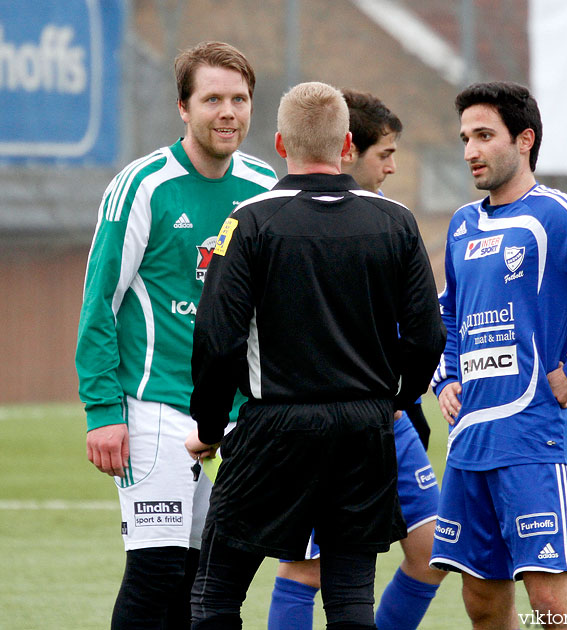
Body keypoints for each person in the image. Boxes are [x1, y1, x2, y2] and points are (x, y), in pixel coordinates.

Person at [185, 81, 446, 630]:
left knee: (215, 595)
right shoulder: (395, 221)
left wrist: (210, 427)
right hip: (365, 430)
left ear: (280, 144)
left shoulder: (250, 219)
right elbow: (426, 334)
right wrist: (395, 401)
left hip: (274, 428)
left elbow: (216, 336)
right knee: (350, 600)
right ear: (346, 144)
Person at [430, 81, 567, 629]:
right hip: (469, 441)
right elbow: (448, 314)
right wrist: (445, 378)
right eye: (465, 138)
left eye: (484, 136)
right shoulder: (462, 223)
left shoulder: (559, 212)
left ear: (524, 139)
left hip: (532, 438)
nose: (470, 152)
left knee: (552, 604)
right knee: (482, 603)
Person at [74, 41, 276, 629]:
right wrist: (102, 411)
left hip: (238, 412)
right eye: (212, 99)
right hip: (153, 407)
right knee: (157, 570)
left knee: (205, 580)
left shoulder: (264, 184)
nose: (228, 112)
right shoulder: (143, 185)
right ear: (183, 109)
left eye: (240, 99)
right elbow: (99, 303)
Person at [266, 89, 446, 630]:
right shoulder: (293, 222)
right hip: (318, 421)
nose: (393, 166)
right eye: (384, 154)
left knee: (432, 547)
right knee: (308, 566)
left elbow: (422, 326)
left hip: (387, 417)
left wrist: (402, 395)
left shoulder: (389, 221)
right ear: (347, 151)